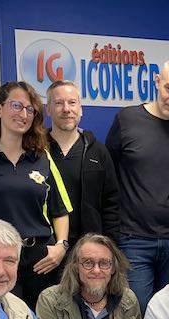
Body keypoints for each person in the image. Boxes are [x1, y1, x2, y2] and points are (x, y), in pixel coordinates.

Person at [0, 81, 73, 308]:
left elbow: (60, 210)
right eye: (16, 106)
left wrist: (61, 247)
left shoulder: (42, 158)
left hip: (42, 259)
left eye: (30, 110)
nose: (23, 114)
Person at [106, 57, 169, 315]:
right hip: (133, 239)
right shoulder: (127, 119)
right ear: (157, 82)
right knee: (137, 313)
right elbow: (109, 175)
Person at [45, 80, 119, 245]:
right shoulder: (35, 152)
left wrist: (110, 246)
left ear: (81, 109)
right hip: (47, 251)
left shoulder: (98, 152)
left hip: (88, 251)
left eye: (72, 102)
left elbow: (111, 204)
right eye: (58, 103)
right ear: (48, 110)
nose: (66, 109)